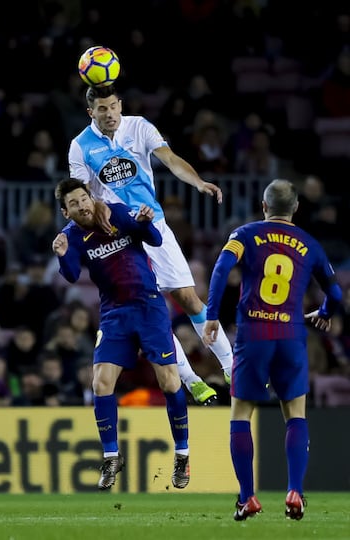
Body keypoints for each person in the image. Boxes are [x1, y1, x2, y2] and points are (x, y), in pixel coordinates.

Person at [68, 84, 234, 405]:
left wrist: (198, 181)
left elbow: (170, 159)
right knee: (153, 309)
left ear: (120, 105)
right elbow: (83, 192)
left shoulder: (140, 126)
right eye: (102, 109)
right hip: (120, 238)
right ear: (92, 112)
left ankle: (230, 366)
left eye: (114, 106)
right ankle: (192, 380)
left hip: (154, 224)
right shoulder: (80, 146)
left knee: (188, 298)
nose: (110, 113)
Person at [202, 179, 343, 521]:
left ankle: (248, 497)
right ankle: (294, 490)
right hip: (292, 336)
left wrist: (211, 315)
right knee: (295, 414)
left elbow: (222, 268)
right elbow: (336, 294)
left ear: (264, 206)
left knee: (240, 415)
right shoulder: (310, 244)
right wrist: (324, 313)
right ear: (295, 209)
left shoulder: (245, 235)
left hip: (254, 334)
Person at [52, 178, 190, 490]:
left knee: (169, 380)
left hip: (149, 306)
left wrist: (143, 224)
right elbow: (72, 275)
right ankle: (112, 456)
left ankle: (182, 454)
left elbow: (153, 240)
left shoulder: (116, 213)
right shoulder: (71, 236)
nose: (82, 206)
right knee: (100, 382)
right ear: (66, 212)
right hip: (114, 312)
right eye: (73, 204)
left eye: (83, 199)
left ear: (90, 197)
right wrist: (62, 254)